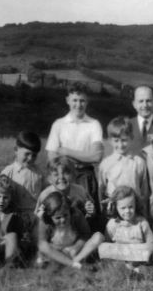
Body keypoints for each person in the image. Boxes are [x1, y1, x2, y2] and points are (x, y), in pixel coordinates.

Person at [45, 82, 104, 227]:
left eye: (82, 100)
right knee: (62, 213)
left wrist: (66, 151)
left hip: (85, 176)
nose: (78, 105)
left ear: (87, 101)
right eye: (75, 100)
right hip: (63, 175)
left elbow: (96, 157)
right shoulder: (58, 124)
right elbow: (52, 157)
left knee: (88, 215)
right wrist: (83, 157)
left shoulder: (94, 124)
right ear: (67, 100)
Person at [36, 191, 104, 269]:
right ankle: (73, 264)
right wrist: (58, 249)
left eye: (66, 215)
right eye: (58, 218)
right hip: (58, 253)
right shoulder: (45, 222)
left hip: (76, 250)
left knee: (98, 236)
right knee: (43, 247)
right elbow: (42, 244)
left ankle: (75, 262)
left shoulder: (77, 214)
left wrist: (75, 248)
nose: (63, 220)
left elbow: (85, 234)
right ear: (50, 217)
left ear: (70, 211)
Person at [98, 116, 149, 216]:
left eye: (124, 140)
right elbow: (101, 189)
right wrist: (103, 210)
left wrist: (143, 210)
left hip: (134, 209)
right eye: (116, 141)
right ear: (110, 140)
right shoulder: (106, 163)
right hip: (113, 210)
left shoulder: (139, 162)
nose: (120, 145)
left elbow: (144, 191)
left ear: (131, 138)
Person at [0, 131, 44, 236]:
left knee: (39, 238)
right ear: (16, 150)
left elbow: (45, 193)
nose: (30, 158)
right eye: (27, 154)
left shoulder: (38, 173)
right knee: (12, 235)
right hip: (14, 215)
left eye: (34, 155)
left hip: (35, 215)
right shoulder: (8, 172)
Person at [98, 186, 153, 267]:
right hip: (120, 255)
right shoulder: (112, 224)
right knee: (103, 247)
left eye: (130, 207)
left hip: (137, 254)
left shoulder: (142, 222)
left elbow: (150, 242)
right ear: (115, 207)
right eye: (123, 208)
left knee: (151, 247)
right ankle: (125, 266)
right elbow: (108, 242)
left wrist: (145, 249)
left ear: (136, 205)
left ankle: (133, 266)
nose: (127, 211)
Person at [35, 156, 95, 221]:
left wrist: (91, 211)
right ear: (49, 178)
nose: (61, 177)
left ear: (73, 175)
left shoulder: (80, 191)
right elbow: (37, 217)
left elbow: (92, 212)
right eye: (56, 174)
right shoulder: (45, 195)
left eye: (66, 173)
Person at [129, 86, 153, 155]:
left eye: (148, 101)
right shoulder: (126, 126)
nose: (145, 105)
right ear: (134, 104)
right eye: (141, 101)